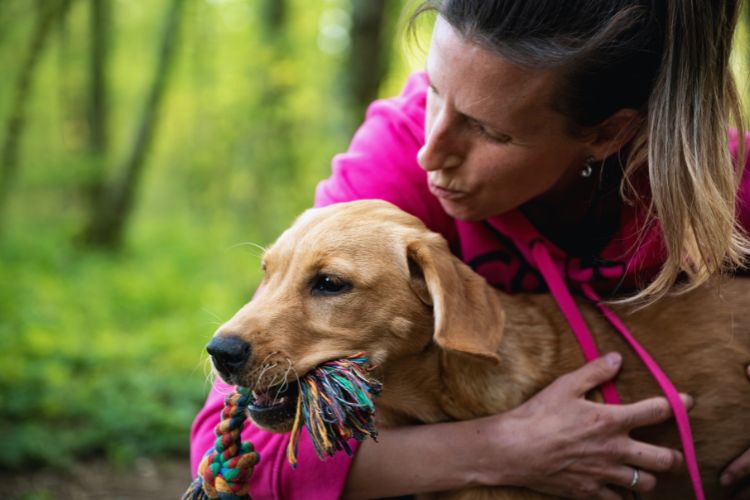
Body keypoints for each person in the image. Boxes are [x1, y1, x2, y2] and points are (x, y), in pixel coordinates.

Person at [191, 1, 750, 498]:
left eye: (488, 130)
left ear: (607, 134)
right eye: (433, 89)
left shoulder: (711, 181)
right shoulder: (391, 170)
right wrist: (502, 449)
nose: (431, 153)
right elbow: (231, 461)